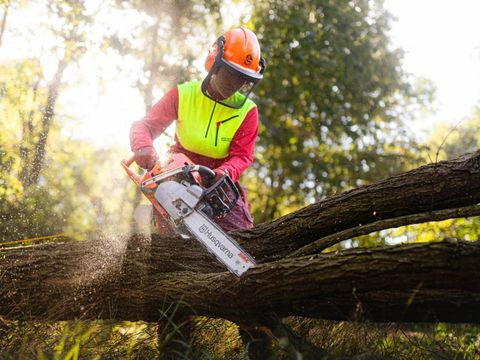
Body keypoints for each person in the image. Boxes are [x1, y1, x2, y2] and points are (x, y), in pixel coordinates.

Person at [129, 27, 266, 232]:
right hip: (179, 171)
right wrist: (144, 147)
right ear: (215, 64)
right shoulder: (184, 94)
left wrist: (224, 172)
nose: (235, 83)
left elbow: (243, 156)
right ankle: (158, 220)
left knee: (240, 229)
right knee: (172, 233)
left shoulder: (248, 111)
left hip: (218, 178)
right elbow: (145, 126)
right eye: (231, 74)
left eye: (242, 78)